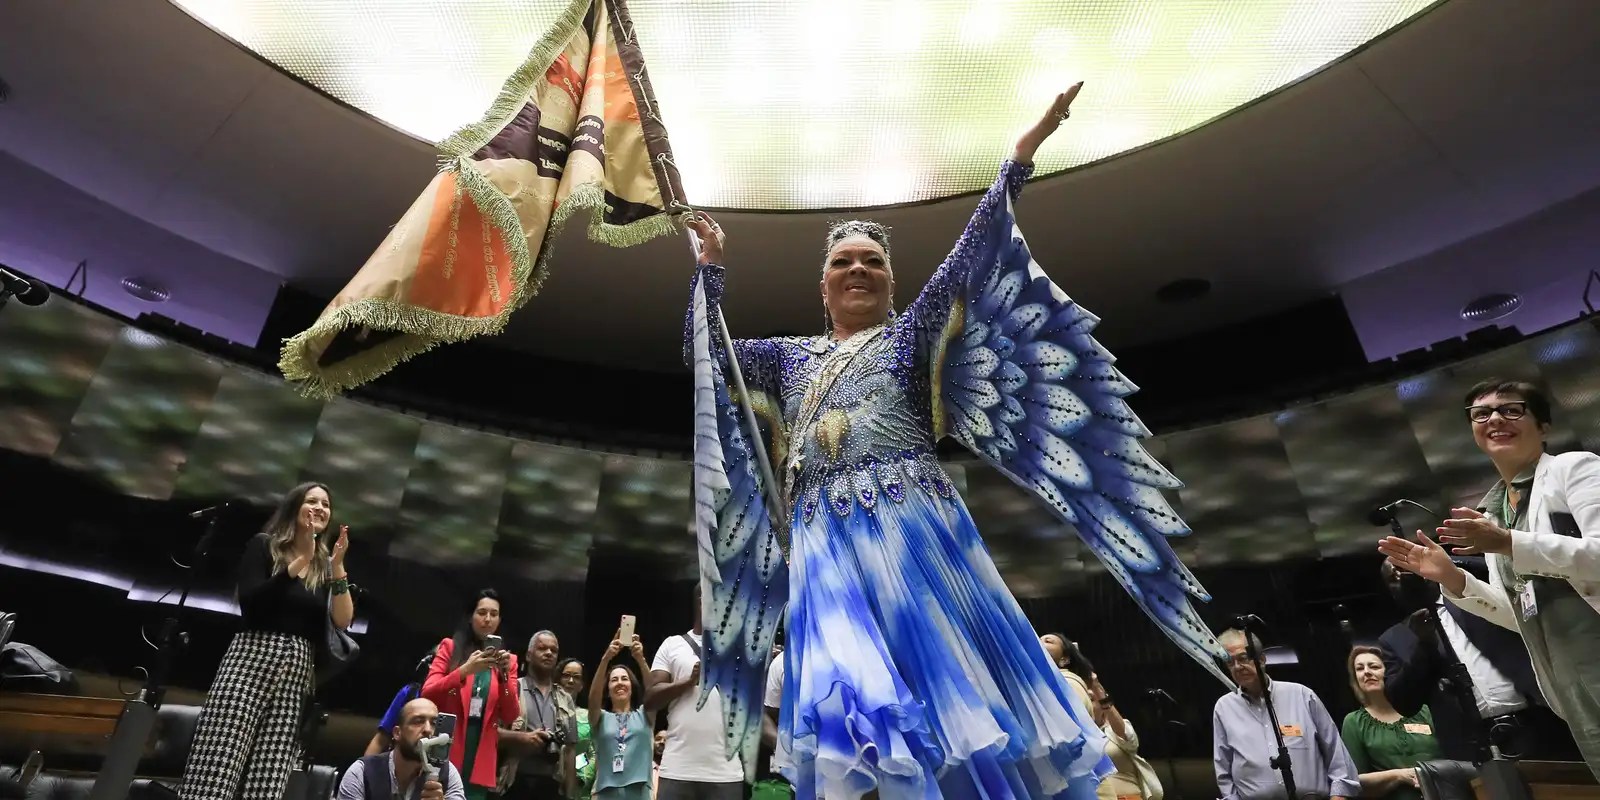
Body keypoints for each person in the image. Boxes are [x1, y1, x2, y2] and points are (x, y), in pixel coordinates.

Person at [685, 81, 1225, 799]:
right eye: (843, 262)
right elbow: (704, 354)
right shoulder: (784, 359)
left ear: (890, 281)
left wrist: (1019, 158)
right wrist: (709, 272)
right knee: (855, 705)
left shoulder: (910, 339)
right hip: (820, 541)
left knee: (948, 699)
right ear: (822, 285)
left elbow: (973, 253)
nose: (857, 270)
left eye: (871, 262)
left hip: (914, 533)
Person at [1378, 379, 1600, 777]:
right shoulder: (1495, 515)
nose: (1495, 418)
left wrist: (1508, 542)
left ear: (1543, 426)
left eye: (1511, 409)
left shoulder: (1575, 468)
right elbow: (1518, 614)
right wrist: (1453, 577)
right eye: (1481, 414)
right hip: (1569, 690)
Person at [180, 482, 354, 800]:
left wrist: (338, 566)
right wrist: (300, 560)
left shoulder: (325, 565)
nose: (320, 508)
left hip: (297, 673)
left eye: (326, 504)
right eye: (311, 501)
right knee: (216, 766)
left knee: (268, 780)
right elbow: (252, 602)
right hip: (251, 659)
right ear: (294, 507)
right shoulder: (264, 545)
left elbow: (343, 621)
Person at [1212, 629, 1360, 800]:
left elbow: (1337, 757)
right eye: (1230, 662)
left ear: (1261, 659)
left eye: (1243, 658)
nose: (1237, 667)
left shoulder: (1302, 695)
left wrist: (1339, 796)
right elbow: (1224, 772)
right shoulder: (1224, 708)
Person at [421, 589, 521, 799]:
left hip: (481, 753)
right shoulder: (450, 647)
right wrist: (464, 670)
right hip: (447, 744)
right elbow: (427, 694)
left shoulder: (508, 661)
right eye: (482, 612)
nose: (487, 619)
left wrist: (503, 678)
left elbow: (511, 715)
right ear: (470, 617)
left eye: (494, 614)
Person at [1338, 647, 1441, 800]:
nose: (1366, 672)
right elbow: (1354, 782)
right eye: (1359, 669)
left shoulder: (1424, 710)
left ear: (1391, 672)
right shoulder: (1354, 722)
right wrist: (1399, 775)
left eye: (1374, 666)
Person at [338, 697, 465, 800]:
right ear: (397, 733)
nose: (427, 730)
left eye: (434, 723)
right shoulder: (362, 772)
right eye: (418, 721)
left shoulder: (447, 773)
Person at [588, 634, 654, 800]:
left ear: (632, 686)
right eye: (614, 680)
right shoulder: (600, 717)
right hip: (606, 792)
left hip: (639, 792)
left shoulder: (644, 714)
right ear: (608, 690)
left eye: (624, 679)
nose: (619, 683)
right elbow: (593, 698)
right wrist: (606, 659)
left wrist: (640, 659)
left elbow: (654, 691)